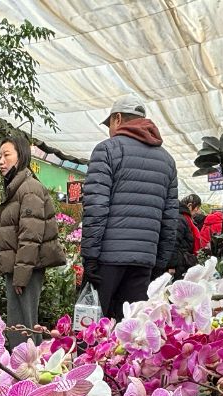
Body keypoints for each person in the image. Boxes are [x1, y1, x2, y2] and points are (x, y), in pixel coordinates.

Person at [80, 95, 179, 321]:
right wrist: (159, 264)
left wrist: (90, 257)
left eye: (109, 124)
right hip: (144, 263)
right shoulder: (167, 161)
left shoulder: (107, 150)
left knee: (91, 326)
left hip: (106, 261)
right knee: (132, 330)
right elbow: (169, 219)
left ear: (117, 119)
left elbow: (96, 207)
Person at [0, 133, 66, 346]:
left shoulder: (29, 188)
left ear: (22, 156)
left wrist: (21, 275)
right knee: (22, 324)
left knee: (23, 326)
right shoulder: (17, 188)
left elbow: (30, 236)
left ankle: (27, 364)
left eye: (6, 155)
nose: (1, 161)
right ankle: (26, 362)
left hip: (26, 269)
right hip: (20, 268)